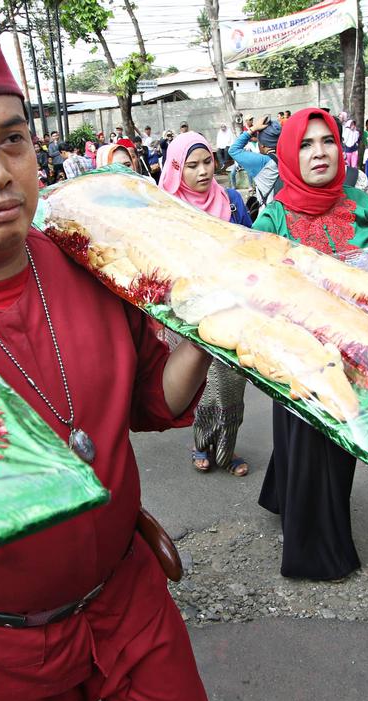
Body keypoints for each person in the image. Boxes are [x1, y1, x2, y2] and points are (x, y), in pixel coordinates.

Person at [0, 15, 211, 701]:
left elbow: (153, 399)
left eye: (13, 139)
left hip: (127, 601)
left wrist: (205, 333)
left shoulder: (90, 259)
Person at [252, 108, 368, 582]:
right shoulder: (273, 216)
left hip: (356, 351)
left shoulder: (363, 205)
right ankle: (318, 553)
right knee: (310, 444)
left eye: (326, 141)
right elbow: (254, 290)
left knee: (341, 445)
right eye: (305, 145)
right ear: (288, 154)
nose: (319, 153)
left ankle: (280, 495)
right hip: (299, 357)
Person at [158, 132, 252, 478]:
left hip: (230, 306)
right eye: (191, 165)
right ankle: (201, 443)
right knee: (202, 383)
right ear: (177, 169)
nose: (202, 172)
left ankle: (227, 448)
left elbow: (251, 243)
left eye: (207, 162)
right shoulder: (166, 209)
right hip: (185, 311)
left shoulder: (231, 200)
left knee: (230, 382)